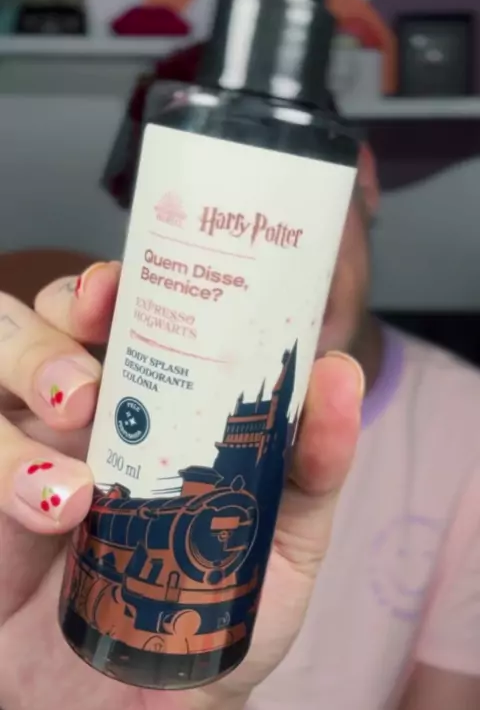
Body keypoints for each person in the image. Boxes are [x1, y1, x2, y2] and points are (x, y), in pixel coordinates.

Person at [1, 140, 480, 710]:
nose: (270, 266)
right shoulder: (119, 406)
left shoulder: (466, 431)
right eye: (224, 224)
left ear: (363, 177)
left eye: (293, 203)